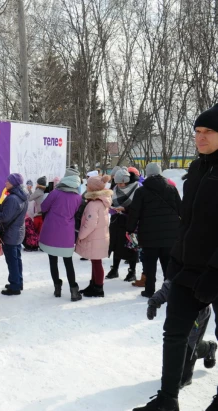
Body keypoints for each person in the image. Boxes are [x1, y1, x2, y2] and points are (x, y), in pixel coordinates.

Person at [133, 104, 218, 410]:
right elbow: (187, 221)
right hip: (188, 267)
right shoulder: (196, 169)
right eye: (197, 131)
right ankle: (168, 399)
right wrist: (174, 262)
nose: (201, 137)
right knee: (174, 333)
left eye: (208, 131)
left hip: (216, 271)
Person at [147, 280, 217, 390]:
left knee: (190, 346)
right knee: (176, 344)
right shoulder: (179, 268)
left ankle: (186, 376)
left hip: (198, 315)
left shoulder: (204, 270)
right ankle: (207, 348)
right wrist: (154, 303)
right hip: (177, 313)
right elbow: (166, 289)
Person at [126, 162, 181, 298]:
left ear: (147, 173)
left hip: (149, 234)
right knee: (168, 264)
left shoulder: (141, 191)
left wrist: (130, 229)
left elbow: (135, 212)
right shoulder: (171, 188)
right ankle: (168, 291)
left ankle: (149, 290)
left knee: (149, 264)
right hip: (170, 234)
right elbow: (181, 209)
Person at [39, 168, 83, 301]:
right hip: (67, 233)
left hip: (51, 230)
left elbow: (43, 207)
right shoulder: (77, 197)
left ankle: (57, 288)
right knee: (68, 262)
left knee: (53, 261)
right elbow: (76, 213)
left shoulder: (55, 193)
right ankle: (74, 291)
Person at [75, 175, 112, 297]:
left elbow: (90, 224)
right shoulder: (101, 201)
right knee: (95, 261)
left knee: (96, 262)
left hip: (94, 238)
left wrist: (80, 235)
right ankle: (94, 284)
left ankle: (98, 288)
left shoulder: (93, 204)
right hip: (100, 236)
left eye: (88, 185)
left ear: (92, 188)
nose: (86, 187)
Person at [106, 169, 140, 282]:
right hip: (117, 220)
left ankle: (132, 271)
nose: (119, 185)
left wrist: (125, 209)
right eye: (117, 183)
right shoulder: (115, 189)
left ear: (127, 181)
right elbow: (110, 202)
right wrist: (111, 209)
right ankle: (114, 269)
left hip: (131, 221)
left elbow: (138, 207)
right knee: (116, 244)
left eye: (121, 183)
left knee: (131, 246)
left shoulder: (137, 188)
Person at [0, 173, 29, 296]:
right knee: (16, 259)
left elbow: (5, 218)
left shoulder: (12, 198)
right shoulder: (23, 196)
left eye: (8, 181)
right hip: (18, 231)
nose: (6, 183)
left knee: (12, 260)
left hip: (11, 233)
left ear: (14, 183)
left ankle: (14, 286)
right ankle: (18, 281)